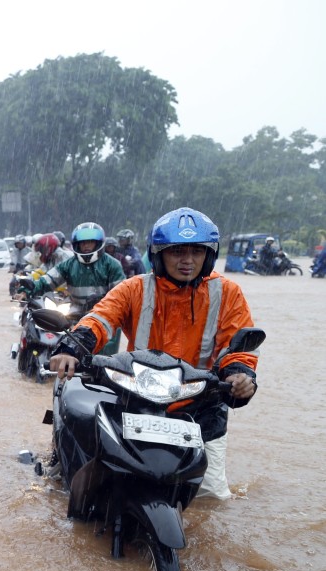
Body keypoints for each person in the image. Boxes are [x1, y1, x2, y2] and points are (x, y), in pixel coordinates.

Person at [48, 207, 259, 500]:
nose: (187, 260)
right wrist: (71, 347)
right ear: (159, 254)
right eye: (177, 252)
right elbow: (100, 319)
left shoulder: (228, 292)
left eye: (196, 252)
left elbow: (238, 347)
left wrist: (241, 376)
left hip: (202, 405)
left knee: (211, 499)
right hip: (137, 400)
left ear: (208, 255)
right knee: (94, 482)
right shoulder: (134, 288)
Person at [18, 222, 125, 354]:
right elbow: (49, 280)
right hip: (75, 316)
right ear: (76, 244)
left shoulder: (112, 265)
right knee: (68, 356)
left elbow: (121, 296)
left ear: (98, 243)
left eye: (90, 242)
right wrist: (32, 286)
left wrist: (101, 301)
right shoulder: (68, 264)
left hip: (105, 318)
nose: (86, 246)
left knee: (104, 363)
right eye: (83, 243)